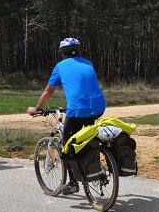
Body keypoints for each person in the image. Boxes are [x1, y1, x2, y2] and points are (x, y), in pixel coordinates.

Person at [27, 37, 106, 195]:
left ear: (63, 54)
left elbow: (49, 91)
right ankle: (96, 169)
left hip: (77, 110)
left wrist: (37, 108)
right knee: (87, 139)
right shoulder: (87, 62)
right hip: (98, 107)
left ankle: (73, 183)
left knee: (67, 145)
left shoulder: (60, 66)